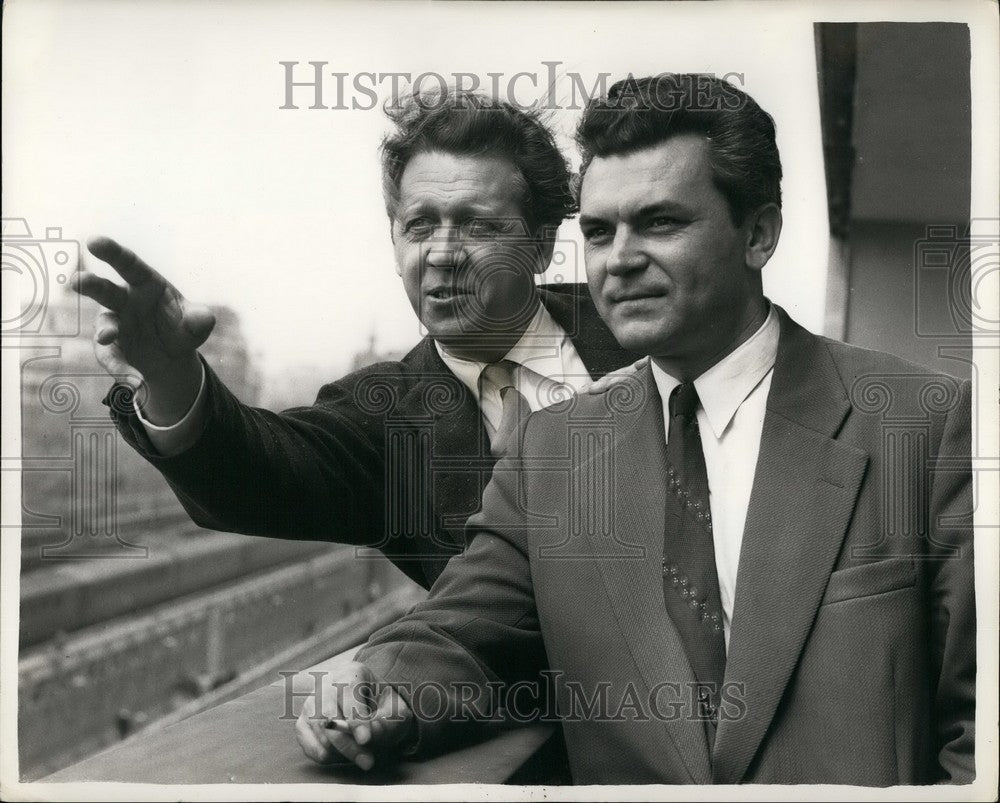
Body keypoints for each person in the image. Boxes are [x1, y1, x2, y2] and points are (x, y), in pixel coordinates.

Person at [296, 74, 976, 785]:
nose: (618, 259)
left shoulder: (922, 426)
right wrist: (382, 689)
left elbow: (980, 729)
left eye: (660, 222)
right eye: (597, 231)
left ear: (759, 233)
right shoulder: (552, 452)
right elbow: (463, 628)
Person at [72, 90, 639, 589]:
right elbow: (257, 469)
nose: (441, 254)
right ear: (396, 245)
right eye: (419, 226)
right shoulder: (383, 418)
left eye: (478, 225)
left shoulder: (643, 325)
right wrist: (172, 377)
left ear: (540, 245)